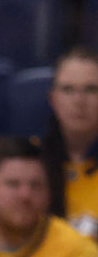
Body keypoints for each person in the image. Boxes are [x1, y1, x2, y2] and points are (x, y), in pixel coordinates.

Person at [42, 46, 98, 240]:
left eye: (91, 89)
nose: (79, 100)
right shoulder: (29, 163)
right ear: (53, 99)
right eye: (68, 89)